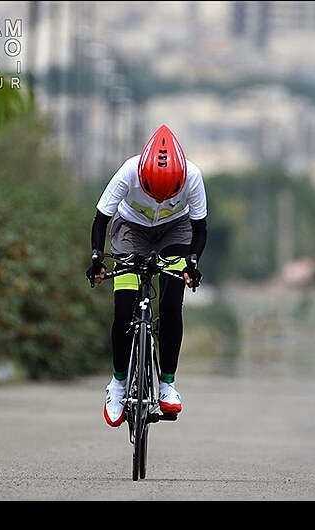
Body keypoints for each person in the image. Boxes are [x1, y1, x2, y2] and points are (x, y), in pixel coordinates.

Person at [86, 124, 208, 427]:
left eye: (169, 194)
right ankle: (117, 384)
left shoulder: (192, 176)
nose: (159, 201)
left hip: (175, 232)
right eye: (153, 193)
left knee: (170, 306)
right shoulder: (128, 171)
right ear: (142, 176)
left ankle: (167, 383)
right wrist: (97, 258)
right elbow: (101, 219)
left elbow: (200, 229)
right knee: (124, 307)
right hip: (131, 231)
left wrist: (192, 263)